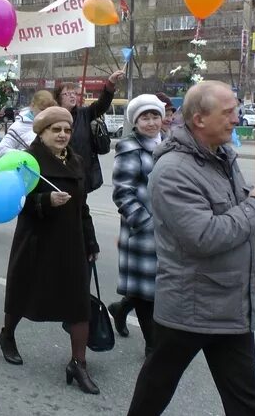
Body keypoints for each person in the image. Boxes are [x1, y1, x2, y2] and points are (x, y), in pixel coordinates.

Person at [127, 81, 255, 416]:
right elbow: (205, 236)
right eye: (228, 113)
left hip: (230, 305)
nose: (236, 119)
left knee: (247, 400)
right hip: (189, 307)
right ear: (199, 119)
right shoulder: (173, 170)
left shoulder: (222, 156)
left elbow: (240, 209)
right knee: (155, 389)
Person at [0, 106, 101, 394]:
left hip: (71, 241)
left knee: (78, 302)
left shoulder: (77, 161)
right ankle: (7, 335)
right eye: (55, 130)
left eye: (67, 130)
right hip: (37, 239)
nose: (62, 135)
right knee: (23, 292)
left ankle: (78, 363)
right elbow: (17, 201)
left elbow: (82, 207)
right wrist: (45, 201)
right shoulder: (28, 162)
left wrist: (90, 241)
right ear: (41, 133)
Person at [108, 94, 165, 355]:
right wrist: (145, 224)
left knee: (153, 285)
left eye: (155, 116)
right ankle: (153, 346)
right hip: (144, 230)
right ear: (135, 121)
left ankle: (120, 308)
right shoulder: (130, 148)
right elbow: (123, 193)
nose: (151, 122)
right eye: (145, 117)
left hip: (171, 229)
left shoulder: (169, 144)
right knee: (147, 291)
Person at [54, 69, 124, 192]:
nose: (72, 95)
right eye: (67, 93)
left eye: (74, 93)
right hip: (61, 172)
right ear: (58, 98)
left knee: (81, 206)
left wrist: (110, 83)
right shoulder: (53, 117)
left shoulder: (84, 114)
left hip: (83, 172)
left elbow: (102, 104)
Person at [0, 90, 56, 156]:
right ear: (32, 106)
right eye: (42, 109)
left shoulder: (55, 125)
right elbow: (2, 149)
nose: (45, 113)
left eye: (48, 110)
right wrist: (26, 153)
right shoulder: (19, 126)